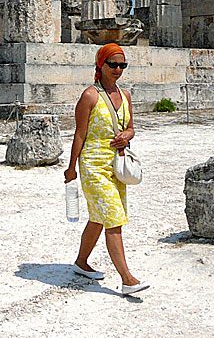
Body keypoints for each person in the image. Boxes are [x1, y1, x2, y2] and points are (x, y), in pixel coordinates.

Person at [63, 43, 149, 296]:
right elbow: (79, 134)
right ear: (101, 65)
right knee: (113, 218)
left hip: (117, 164)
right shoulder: (89, 96)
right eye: (113, 64)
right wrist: (71, 169)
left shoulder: (126, 96)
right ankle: (127, 279)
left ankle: (81, 262)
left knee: (99, 218)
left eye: (122, 65)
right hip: (93, 164)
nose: (118, 69)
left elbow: (132, 127)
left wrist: (126, 136)